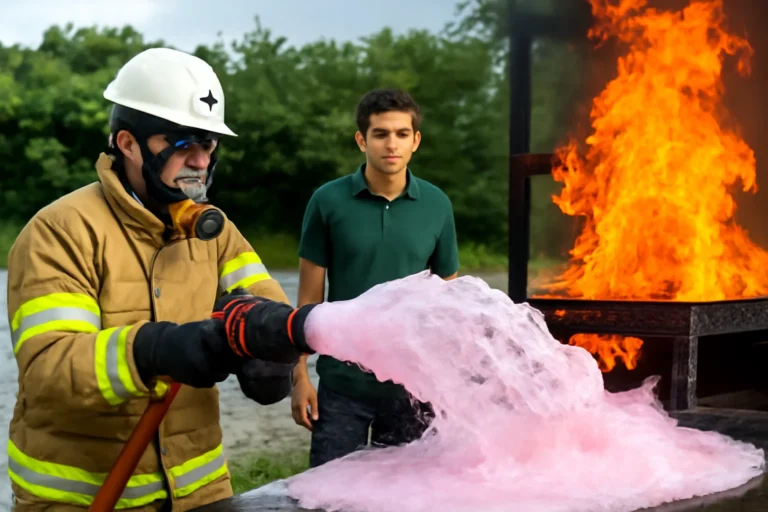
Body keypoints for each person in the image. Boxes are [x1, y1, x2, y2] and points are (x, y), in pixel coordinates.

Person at [5, 47, 317, 511]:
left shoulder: (214, 230)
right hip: (84, 497)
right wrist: (153, 349)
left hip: (199, 492)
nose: (200, 162)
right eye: (183, 143)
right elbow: (50, 370)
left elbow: (266, 303)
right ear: (128, 144)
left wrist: (274, 353)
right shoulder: (61, 231)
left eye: (208, 145)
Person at [290, 88, 460, 467]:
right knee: (329, 492)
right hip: (342, 385)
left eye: (402, 134)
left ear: (416, 140)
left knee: (406, 493)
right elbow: (307, 304)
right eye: (381, 134)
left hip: (412, 387)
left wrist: (449, 385)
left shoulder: (437, 205)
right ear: (361, 140)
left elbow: (449, 306)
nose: (391, 144)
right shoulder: (327, 202)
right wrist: (299, 378)